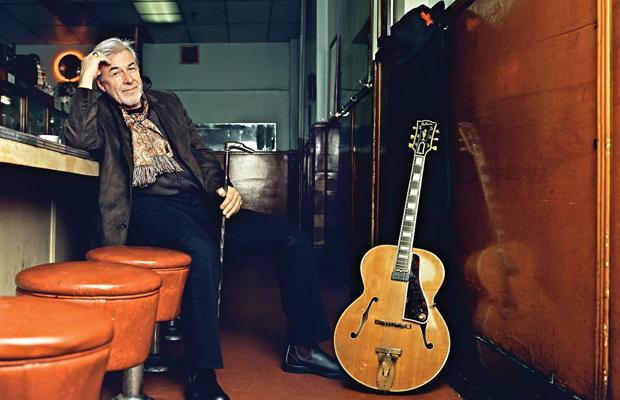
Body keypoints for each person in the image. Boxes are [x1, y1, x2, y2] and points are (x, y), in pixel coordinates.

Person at [66, 37, 342, 400]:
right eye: (115, 73)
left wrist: (223, 187)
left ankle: (302, 349)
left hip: (197, 201)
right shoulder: (100, 111)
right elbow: (79, 138)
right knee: (201, 251)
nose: (128, 78)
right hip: (146, 206)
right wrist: (85, 77)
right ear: (103, 84)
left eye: (131, 67)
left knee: (292, 239)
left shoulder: (167, 102)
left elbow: (198, 151)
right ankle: (201, 372)